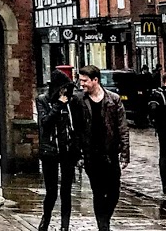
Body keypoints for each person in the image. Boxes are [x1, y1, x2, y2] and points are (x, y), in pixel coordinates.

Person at [73, 64, 130, 231]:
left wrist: (125, 153)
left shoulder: (113, 99)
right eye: (80, 80)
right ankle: (103, 227)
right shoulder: (79, 100)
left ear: (95, 80)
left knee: (114, 192)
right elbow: (76, 129)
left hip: (110, 153)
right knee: (98, 191)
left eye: (84, 81)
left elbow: (122, 128)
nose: (81, 84)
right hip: (91, 154)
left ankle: (105, 219)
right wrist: (79, 155)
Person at [36, 69, 79, 231]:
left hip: (67, 150)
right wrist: (58, 105)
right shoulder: (42, 100)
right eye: (62, 89)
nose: (65, 92)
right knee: (51, 192)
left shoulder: (71, 102)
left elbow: (75, 127)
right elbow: (45, 123)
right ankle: (45, 220)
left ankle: (64, 226)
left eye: (66, 89)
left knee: (66, 191)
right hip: (50, 151)